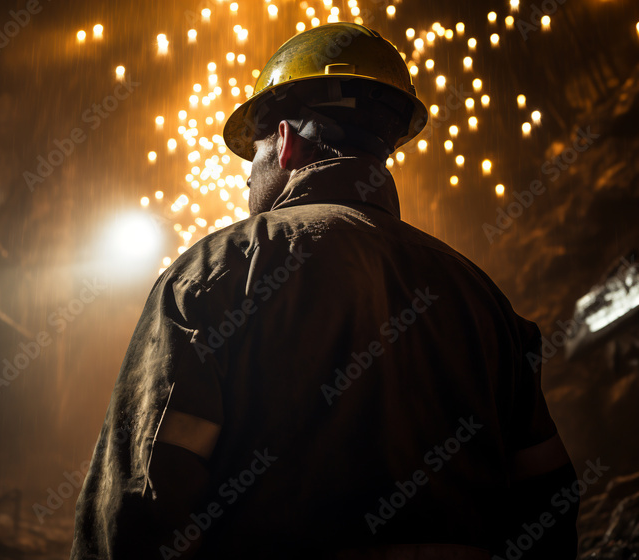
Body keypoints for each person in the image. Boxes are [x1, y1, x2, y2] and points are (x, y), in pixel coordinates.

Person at [71, 22, 578, 559]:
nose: (247, 180)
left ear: (285, 143)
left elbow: (140, 501)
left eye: (255, 154)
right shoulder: (483, 300)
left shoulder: (217, 272)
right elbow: (549, 505)